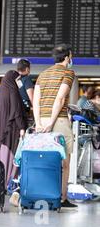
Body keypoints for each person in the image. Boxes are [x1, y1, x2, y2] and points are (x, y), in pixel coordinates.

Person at [33, 44, 77, 210]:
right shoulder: (68, 72)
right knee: (64, 161)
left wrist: (38, 123)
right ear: (67, 57)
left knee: (45, 160)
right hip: (58, 120)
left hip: (41, 121)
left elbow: (36, 101)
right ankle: (62, 197)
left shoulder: (43, 74)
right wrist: (51, 123)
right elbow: (60, 99)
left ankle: (44, 193)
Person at [0, 70, 27, 187]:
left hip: (0, 130)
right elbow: (16, 112)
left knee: (1, 157)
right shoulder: (13, 91)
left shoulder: (1, 91)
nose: (19, 82)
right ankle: (9, 182)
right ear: (12, 79)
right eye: (18, 80)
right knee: (11, 157)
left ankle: (0, 183)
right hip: (11, 130)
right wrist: (22, 127)